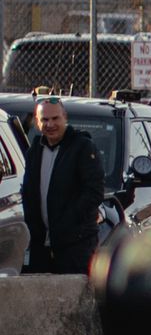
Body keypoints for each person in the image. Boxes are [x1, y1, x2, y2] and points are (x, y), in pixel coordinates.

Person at [23, 96, 105, 275]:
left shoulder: (83, 148)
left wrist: (67, 222)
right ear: (37, 123)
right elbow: (27, 193)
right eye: (44, 119)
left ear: (65, 118)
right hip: (41, 248)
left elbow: (94, 192)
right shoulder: (34, 152)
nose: (50, 124)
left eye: (55, 118)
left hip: (76, 247)